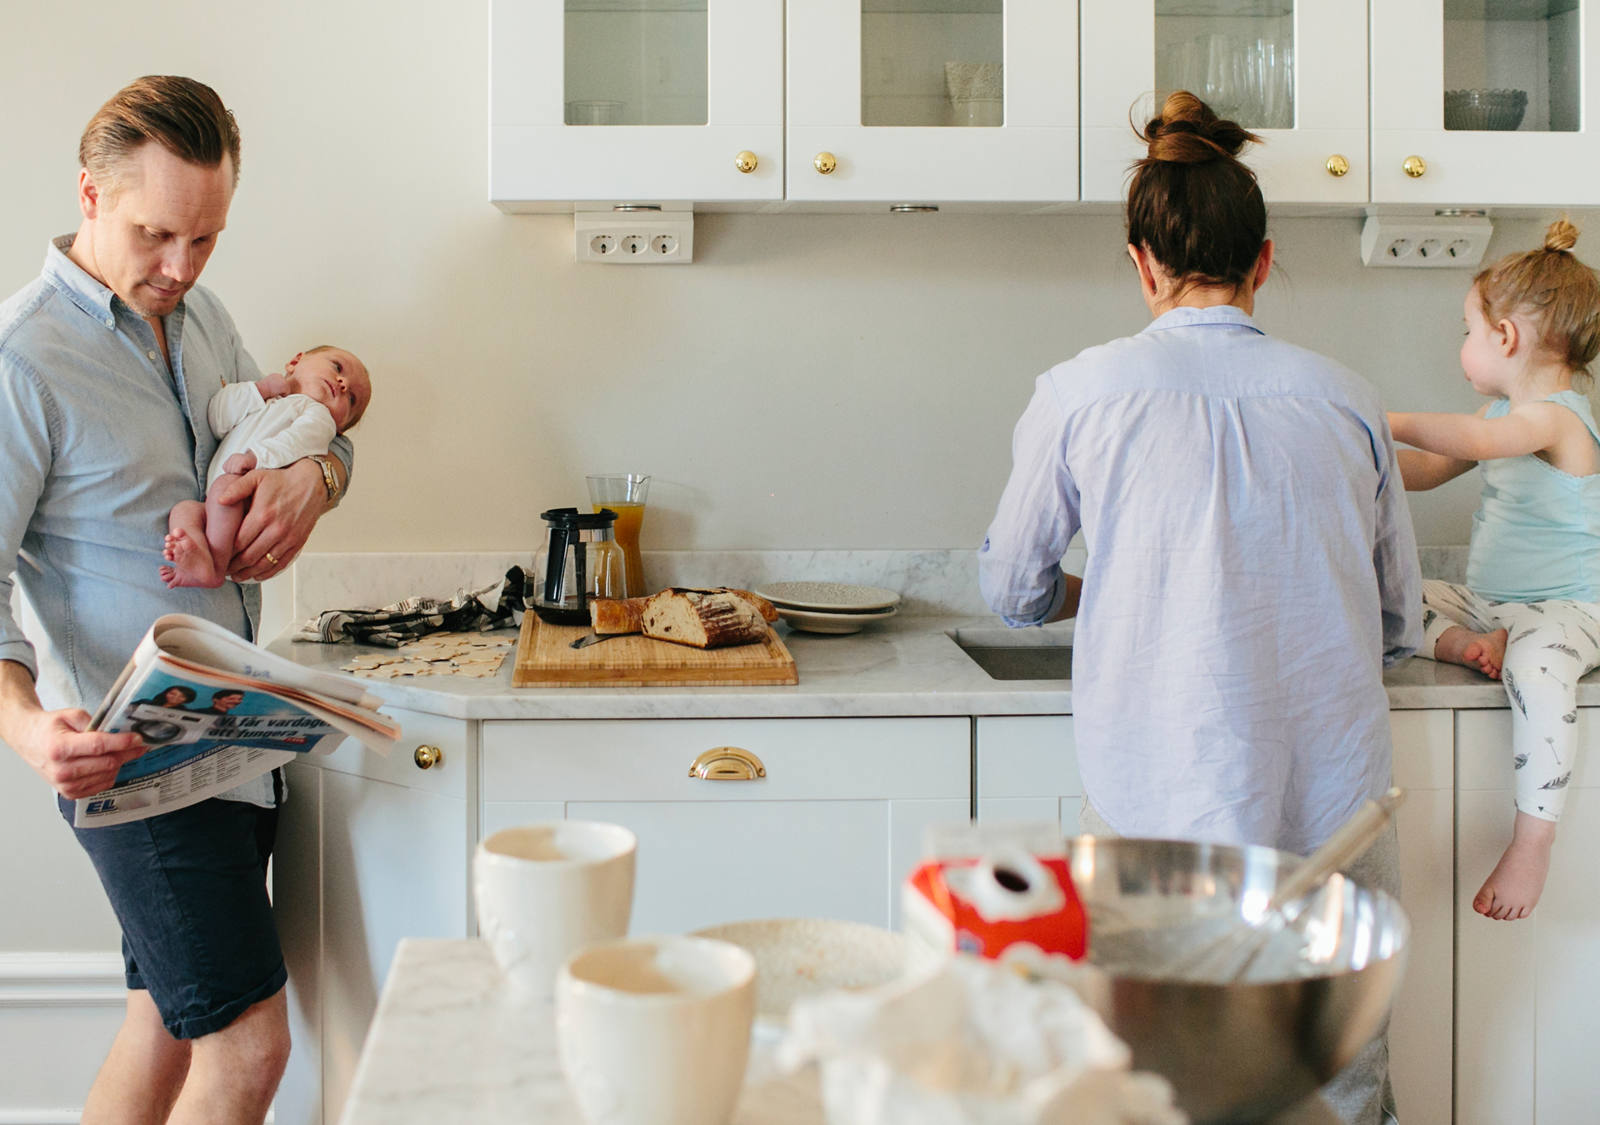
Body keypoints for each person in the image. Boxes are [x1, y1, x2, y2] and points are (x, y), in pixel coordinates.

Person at [978, 92, 1421, 1125]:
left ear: (1142, 264)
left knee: (1160, 1080)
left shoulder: (1081, 393)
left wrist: (1113, 585)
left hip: (1158, 813)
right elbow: (1397, 620)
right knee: (1335, 1076)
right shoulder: (1346, 396)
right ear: (1263, 262)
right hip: (1335, 812)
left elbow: (1013, 592)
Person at [0, 76, 353, 1124]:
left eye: (206, 238)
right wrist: (28, 730)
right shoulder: (22, 361)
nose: (182, 267)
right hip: (136, 768)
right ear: (90, 195)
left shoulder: (204, 321)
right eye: (157, 235)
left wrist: (318, 475)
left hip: (236, 743)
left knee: (161, 1024)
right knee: (250, 1047)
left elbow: (289, 434)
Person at [1389, 219, 1600, 923]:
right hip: (1490, 604)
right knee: (1376, 589)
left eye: (1468, 329)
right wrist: (1359, 452)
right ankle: (1462, 643)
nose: (1465, 344)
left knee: (1538, 672)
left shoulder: (1559, 419)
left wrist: (1381, 417)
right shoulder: (1503, 412)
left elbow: (1478, 441)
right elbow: (1428, 470)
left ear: (1504, 337)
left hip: (1568, 609)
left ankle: (1532, 842)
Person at [163, 344, 371, 588]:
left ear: (340, 428)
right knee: (184, 511)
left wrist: (256, 457)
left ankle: (216, 568)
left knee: (225, 489)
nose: (343, 384)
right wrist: (259, 390)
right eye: (337, 367)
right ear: (295, 361)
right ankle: (198, 557)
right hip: (216, 509)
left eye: (352, 399)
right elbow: (218, 419)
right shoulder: (265, 398)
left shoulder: (319, 417)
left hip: (254, 509)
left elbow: (295, 442)